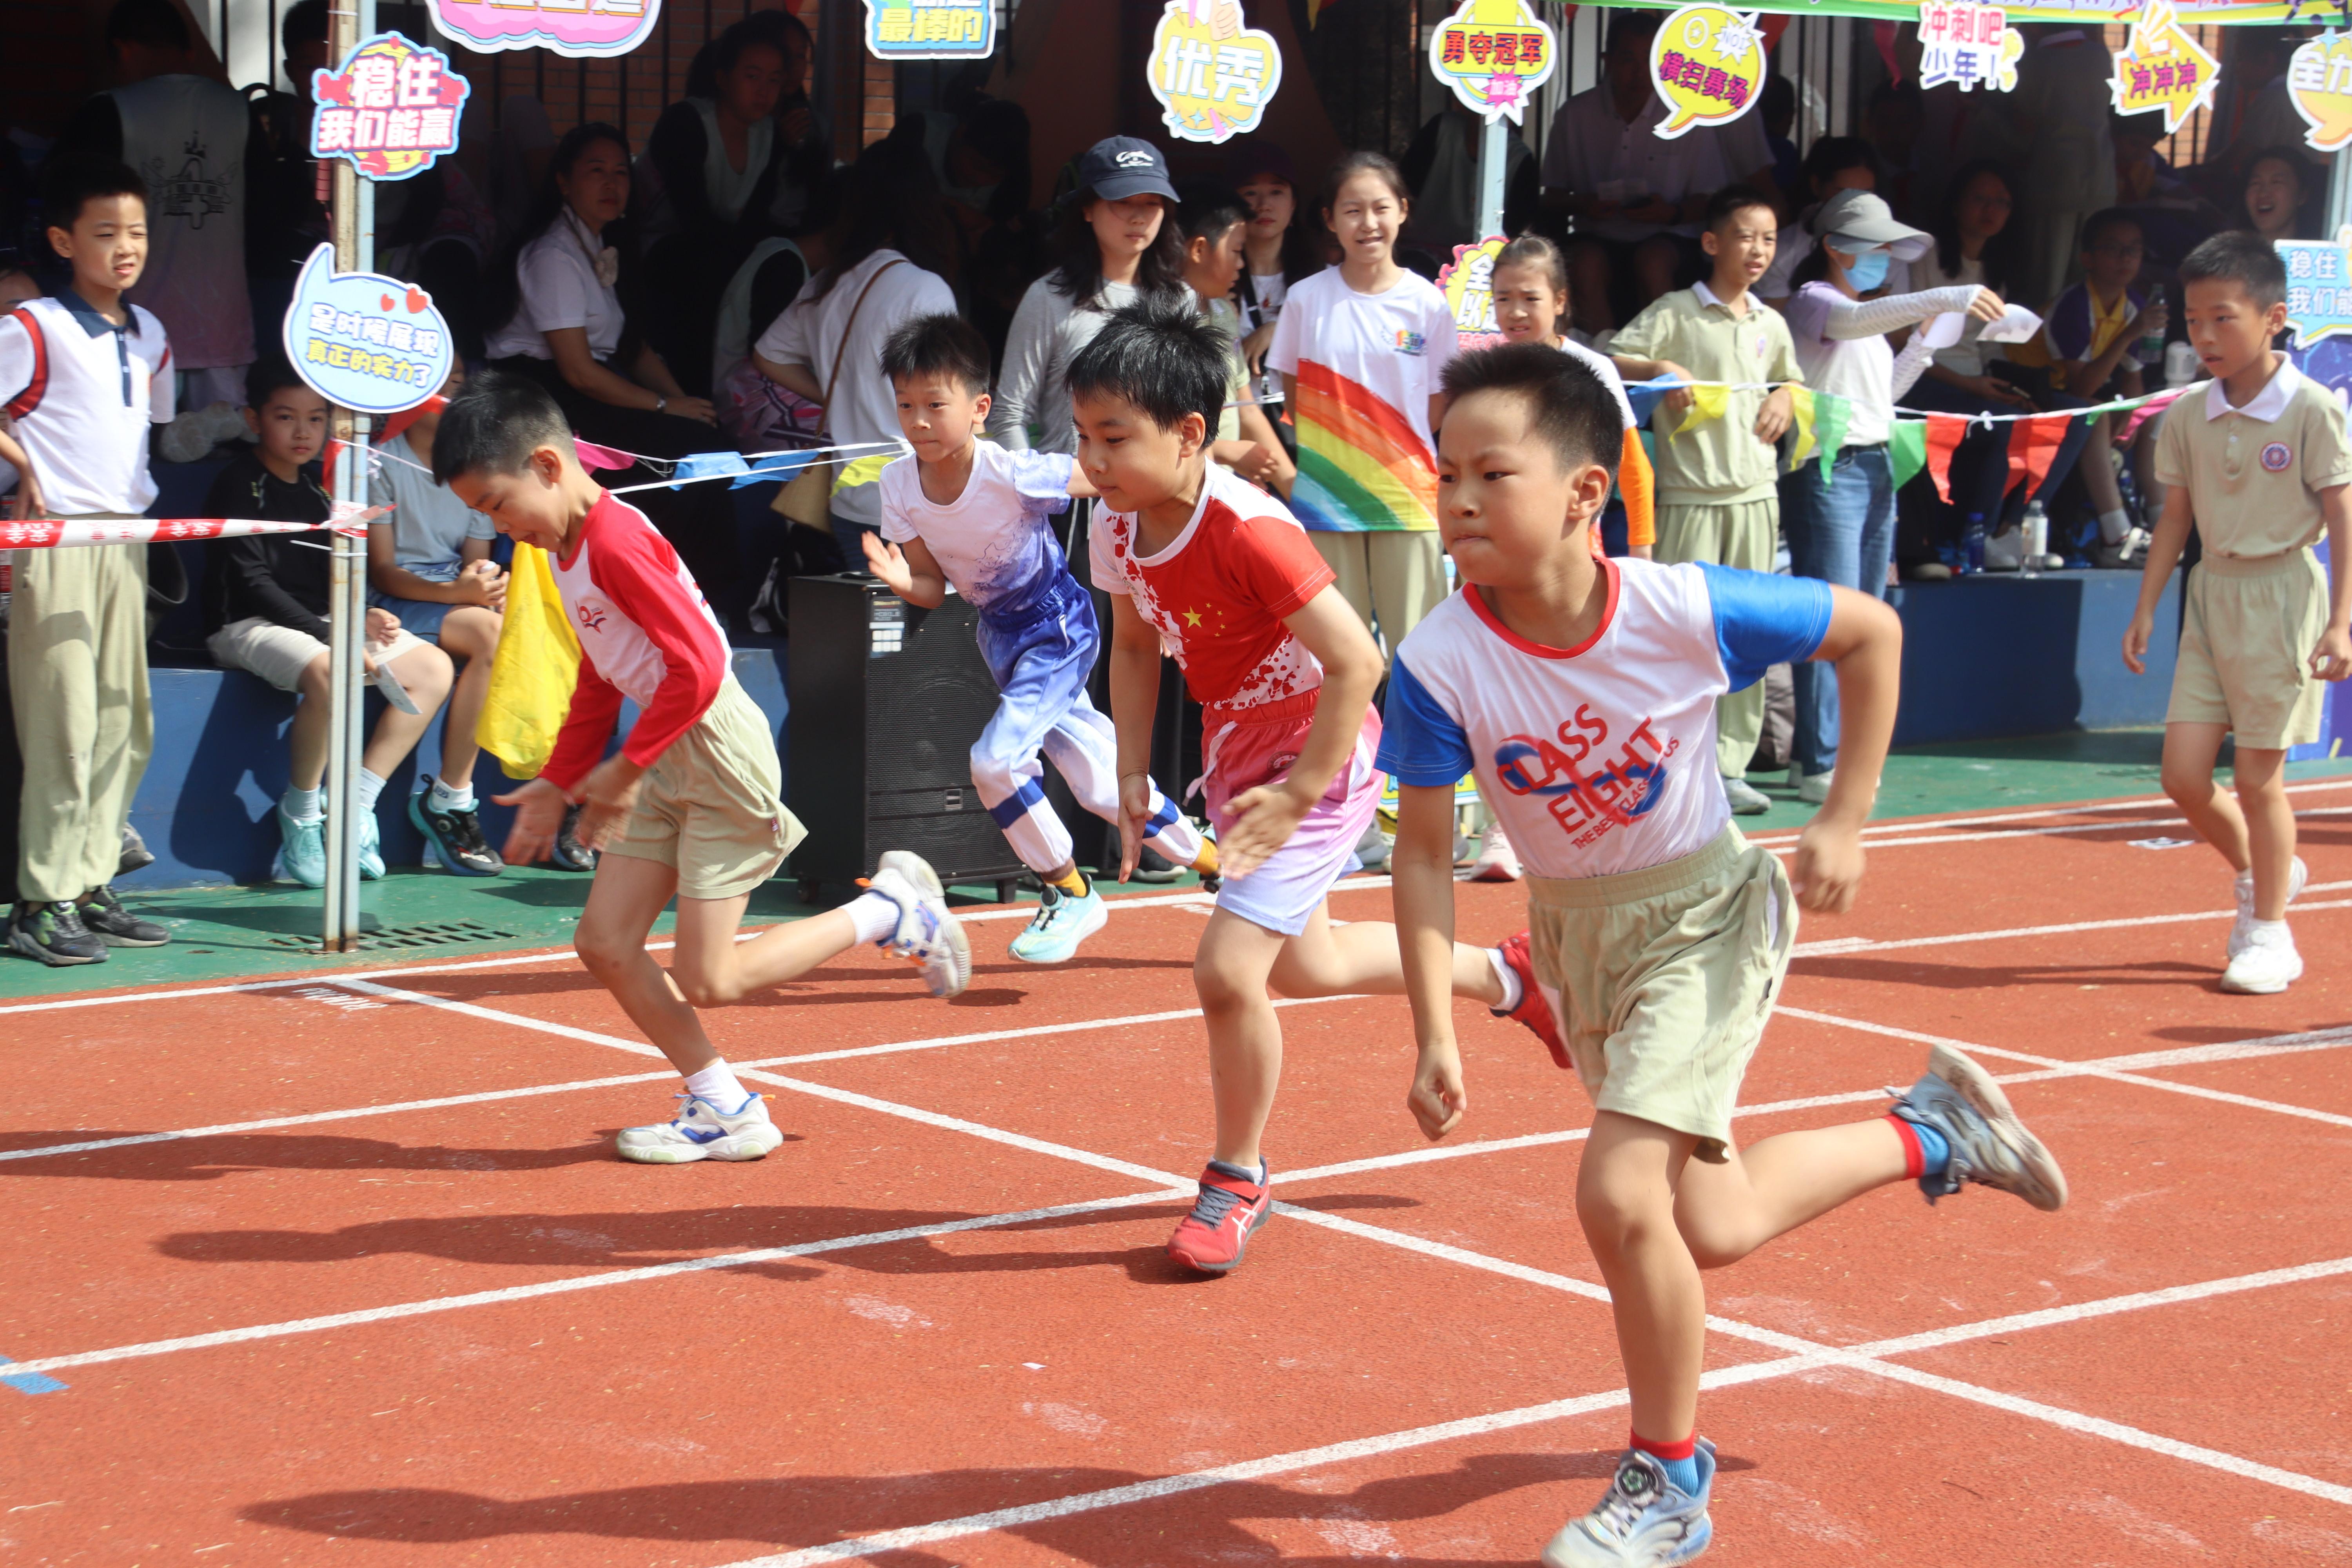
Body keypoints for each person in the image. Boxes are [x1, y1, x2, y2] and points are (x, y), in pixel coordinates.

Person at [1382, 341, 2067, 1568]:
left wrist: (1845, 816)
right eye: (1446, 476)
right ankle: (1932, 1132)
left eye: (1492, 473)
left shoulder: (1682, 608)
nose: (1461, 500)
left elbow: (1868, 633)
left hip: (1704, 916)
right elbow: (1424, 857)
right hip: (1576, 937)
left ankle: (1669, 1480)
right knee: (1714, 1222)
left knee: (1616, 1194)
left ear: (1586, 492)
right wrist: (1436, 1028)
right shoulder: (1437, 662)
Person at [1075, 298, 1553, 1274]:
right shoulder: (1113, 522)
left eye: (1114, 438)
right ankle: (1509, 977)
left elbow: (1357, 662)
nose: (1093, 459)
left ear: (1190, 433)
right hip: (1236, 751)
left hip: (1316, 753)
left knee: (1228, 971)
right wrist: (1129, 771)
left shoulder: (1250, 528)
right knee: (1306, 965)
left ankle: (1237, 1176)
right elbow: (1131, 645)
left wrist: (1299, 792)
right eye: (1083, 436)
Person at [435, 370, 973, 1163]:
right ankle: (727, 1107)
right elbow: (600, 673)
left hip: (712, 746)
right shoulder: (564, 550)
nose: (501, 526)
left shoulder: (616, 540)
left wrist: (622, 770)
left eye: (497, 504)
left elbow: (698, 667)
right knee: (605, 942)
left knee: (711, 976)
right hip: (661, 746)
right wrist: (561, 776)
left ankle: (889, 911)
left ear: (547, 465)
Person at [861, 313, 1220, 962]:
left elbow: (1110, 478)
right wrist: (900, 580)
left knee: (995, 763)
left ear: (980, 410)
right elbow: (931, 587)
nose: (918, 421)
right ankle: (1224, 866)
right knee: (1104, 784)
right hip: (999, 640)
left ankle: (1068, 888)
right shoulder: (897, 484)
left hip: (1057, 628)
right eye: (905, 405)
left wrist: (1181, 487)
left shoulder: (1012, 472)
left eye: (935, 405)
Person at [2123, 232, 2352, 996]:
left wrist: (2342, 621)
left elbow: (2343, 515)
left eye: (2223, 317)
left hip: (2283, 595)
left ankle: (2269, 932)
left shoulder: (2312, 409)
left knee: (2258, 779)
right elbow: (2176, 518)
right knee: (2184, 776)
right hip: (2210, 596)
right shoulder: (2190, 412)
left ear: (2273, 318)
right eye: (2194, 321)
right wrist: (2148, 607)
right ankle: (2267, 871)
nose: (2206, 336)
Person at [0, 159, 175, 966]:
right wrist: (21, 463)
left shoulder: (152, 335)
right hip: (59, 543)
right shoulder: (33, 326)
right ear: (65, 241)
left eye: (136, 232)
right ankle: (42, 900)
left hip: (126, 541)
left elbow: (150, 433)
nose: (125, 248)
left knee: (123, 719)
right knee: (63, 721)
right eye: (106, 234)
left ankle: (91, 878)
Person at [1780, 190, 2002, 806]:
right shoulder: (1813, 300)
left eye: (1886, 248)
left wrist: (1924, 345)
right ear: (1834, 247)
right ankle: (1820, 758)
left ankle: (1829, 754)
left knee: (1869, 618)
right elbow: (1852, 324)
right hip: (1829, 467)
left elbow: (1884, 394)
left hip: (1878, 463)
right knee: (1832, 616)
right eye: (1873, 247)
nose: (1882, 259)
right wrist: (1944, 298)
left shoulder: (1865, 317)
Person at [481, 123, 748, 626]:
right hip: (546, 397)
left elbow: (633, 348)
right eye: (596, 171)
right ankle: (666, 594)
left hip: (588, 388)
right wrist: (668, 408)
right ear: (564, 181)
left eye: (622, 172)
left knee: (708, 442)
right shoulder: (552, 254)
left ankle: (706, 597)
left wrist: (687, 406)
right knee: (680, 457)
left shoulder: (599, 246)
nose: (611, 183)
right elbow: (580, 371)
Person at [201, 361, 456, 887]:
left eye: (316, 419)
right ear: (254, 419)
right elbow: (253, 585)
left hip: (320, 623)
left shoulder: (321, 488)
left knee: (433, 669)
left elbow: (331, 574)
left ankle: (356, 805)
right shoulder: (238, 483)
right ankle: (300, 813)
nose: (303, 432)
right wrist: (334, 634)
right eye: (286, 417)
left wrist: (360, 615)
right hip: (246, 625)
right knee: (329, 668)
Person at [1606, 185, 1800, 815]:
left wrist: (1787, 395)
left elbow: (1794, 379)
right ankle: (1677, 762)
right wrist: (1662, 367)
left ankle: (1731, 766)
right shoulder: (1677, 310)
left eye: (1769, 239)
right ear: (1713, 243)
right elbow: (1612, 360)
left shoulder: (1771, 322)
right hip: (1689, 496)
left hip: (1756, 497)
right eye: (1745, 236)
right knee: (1683, 635)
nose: (1758, 250)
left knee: (1750, 635)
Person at [1267, 152, 1459, 664]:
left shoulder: (1428, 303)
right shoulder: (1306, 299)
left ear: (1403, 211)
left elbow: (1439, 403)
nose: (1368, 223)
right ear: (1330, 220)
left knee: (1419, 654)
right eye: (1352, 211)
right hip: (1327, 496)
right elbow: (1295, 396)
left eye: (1381, 208)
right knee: (1336, 659)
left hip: (1408, 498)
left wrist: (1386, 446)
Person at [54, 0, 256, 457]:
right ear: (189, 52)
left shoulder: (111, 110)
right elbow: (269, 212)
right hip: (225, 320)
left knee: (136, 447)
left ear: (122, 50)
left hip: (136, 321)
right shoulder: (238, 110)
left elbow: (63, 195)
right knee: (229, 447)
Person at [753, 136, 959, 562]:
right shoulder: (924, 289)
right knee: (928, 609)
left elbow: (768, 356)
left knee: (872, 606)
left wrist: (838, 393)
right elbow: (948, 404)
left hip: (849, 499)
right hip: (917, 497)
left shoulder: (827, 284)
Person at [1901, 161, 2095, 579]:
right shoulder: (1924, 258)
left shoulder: (1996, 269)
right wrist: (1972, 386)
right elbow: (1903, 340)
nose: (1991, 210)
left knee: (2076, 416)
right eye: (1981, 199)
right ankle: (1980, 535)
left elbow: (1986, 346)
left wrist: (2011, 387)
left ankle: (2014, 530)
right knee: (2006, 423)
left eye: (2002, 203)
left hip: (1977, 382)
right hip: (1925, 381)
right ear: (1957, 204)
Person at [366, 363, 508, 878]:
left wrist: (486, 585)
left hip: (452, 600)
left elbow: (476, 562)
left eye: (460, 381)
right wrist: (461, 594)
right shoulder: (378, 462)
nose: (452, 393)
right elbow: (383, 570)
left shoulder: (474, 467)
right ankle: (451, 798)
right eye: (440, 381)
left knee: (522, 627)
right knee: (492, 632)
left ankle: (558, 802)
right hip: (392, 601)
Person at [990, 137, 1188, 459]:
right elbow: (1010, 415)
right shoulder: (1049, 297)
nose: (1138, 217)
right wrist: (1042, 484)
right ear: (1087, 209)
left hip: (1156, 489)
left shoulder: (1182, 301)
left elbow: (1192, 412)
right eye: (1123, 201)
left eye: (1152, 202)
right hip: (1071, 486)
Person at [1540, 10, 1723, 334]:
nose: (1640, 73)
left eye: (1651, 61)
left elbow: (1712, 200)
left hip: (1669, 236)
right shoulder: (1575, 114)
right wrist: (1584, 204)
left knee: (1653, 262)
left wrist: (1671, 213)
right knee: (1585, 264)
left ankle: (1663, 348)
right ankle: (1603, 354)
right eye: (1628, 60)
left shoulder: (1688, 115)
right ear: (1608, 61)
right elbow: (1551, 196)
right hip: (1596, 233)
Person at [637, 17, 793, 395]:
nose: (764, 91)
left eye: (774, 80)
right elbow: (693, 216)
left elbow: (758, 216)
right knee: (705, 271)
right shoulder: (687, 122)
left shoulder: (770, 134)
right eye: (752, 76)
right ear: (723, 79)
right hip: (661, 249)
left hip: (724, 248)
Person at [2007, 207, 2167, 564]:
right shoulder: (2073, 305)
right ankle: (2116, 535)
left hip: (2073, 393)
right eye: (2113, 249)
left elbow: (2133, 375)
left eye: (2134, 249)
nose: (2125, 258)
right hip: (2028, 391)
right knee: (2093, 414)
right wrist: (2130, 334)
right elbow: (2081, 387)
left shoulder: (2134, 305)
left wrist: (2133, 416)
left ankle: (2165, 525)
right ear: (2088, 258)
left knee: (2152, 413)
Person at [1489, 234, 1655, 561]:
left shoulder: (1591, 368)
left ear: (1560, 300)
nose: (1516, 312)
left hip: (1573, 543)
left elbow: (1633, 465)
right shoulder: (1487, 371)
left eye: (1531, 299)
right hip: (1501, 540)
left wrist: (1641, 548)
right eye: (1503, 299)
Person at [1173, 181, 1293, 494]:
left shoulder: (1225, 314)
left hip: (1218, 492)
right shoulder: (1162, 321)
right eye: (1237, 251)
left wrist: (1296, 492)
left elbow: (1246, 409)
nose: (1241, 264)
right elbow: (1155, 429)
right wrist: (1225, 450)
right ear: (1199, 250)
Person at [1227, 142, 1323, 418]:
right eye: (1250, 193)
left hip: (1306, 423)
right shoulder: (1215, 279)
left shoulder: (1322, 279)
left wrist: (1279, 329)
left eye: (1277, 192)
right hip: (1234, 423)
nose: (1264, 205)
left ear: (1294, 205)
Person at [1754, 136, 1878, 307]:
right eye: (1842, 194)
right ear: (1816, 186)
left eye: (1865, 194)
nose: (1854, 205)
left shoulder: (1887, 249)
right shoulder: (1780, 253)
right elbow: (1776, 319)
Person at [2240, 147, 2314, 246]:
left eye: (2276, 182)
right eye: (2256, 183)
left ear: (2302, 196)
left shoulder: (2318, 251)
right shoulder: (2232, 252)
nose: (2263, 194)